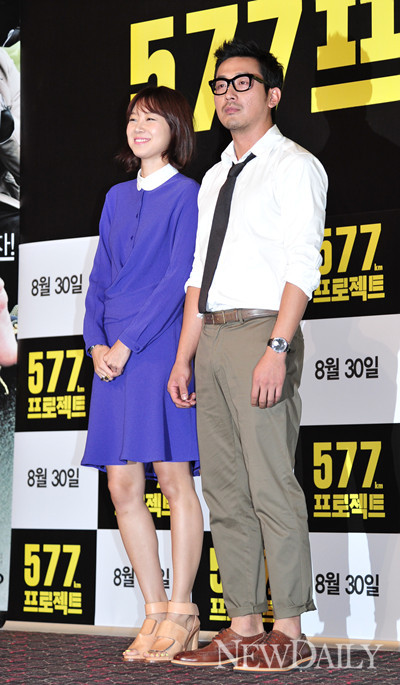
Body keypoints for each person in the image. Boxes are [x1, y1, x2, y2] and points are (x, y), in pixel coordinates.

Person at [168, 39, 328, 672]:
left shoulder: (295, 165)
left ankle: (289, 629)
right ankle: (241, 626)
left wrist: (277, 347)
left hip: (263, 332)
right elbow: (197, 275)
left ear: (272, 94)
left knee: (271, 483)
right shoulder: (214, 177)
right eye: (220, 84)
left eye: (243, 82)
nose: (229, 93)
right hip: (210, 336)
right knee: (225, 490)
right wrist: (184, 357)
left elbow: (302, 264)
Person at [82, 86, 203, 662]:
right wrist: (96, 344)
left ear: (175, 128)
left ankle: (183, 611)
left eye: (152, 118)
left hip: (156, 348)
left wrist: (127, 345)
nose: (139, 126)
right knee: (121, 486)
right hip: (111, 355)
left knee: (173, 478)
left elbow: (179, 278)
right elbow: (99, 276)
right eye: (133, 118)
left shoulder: (187, 194)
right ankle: (154, 612)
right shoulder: (114, 196)